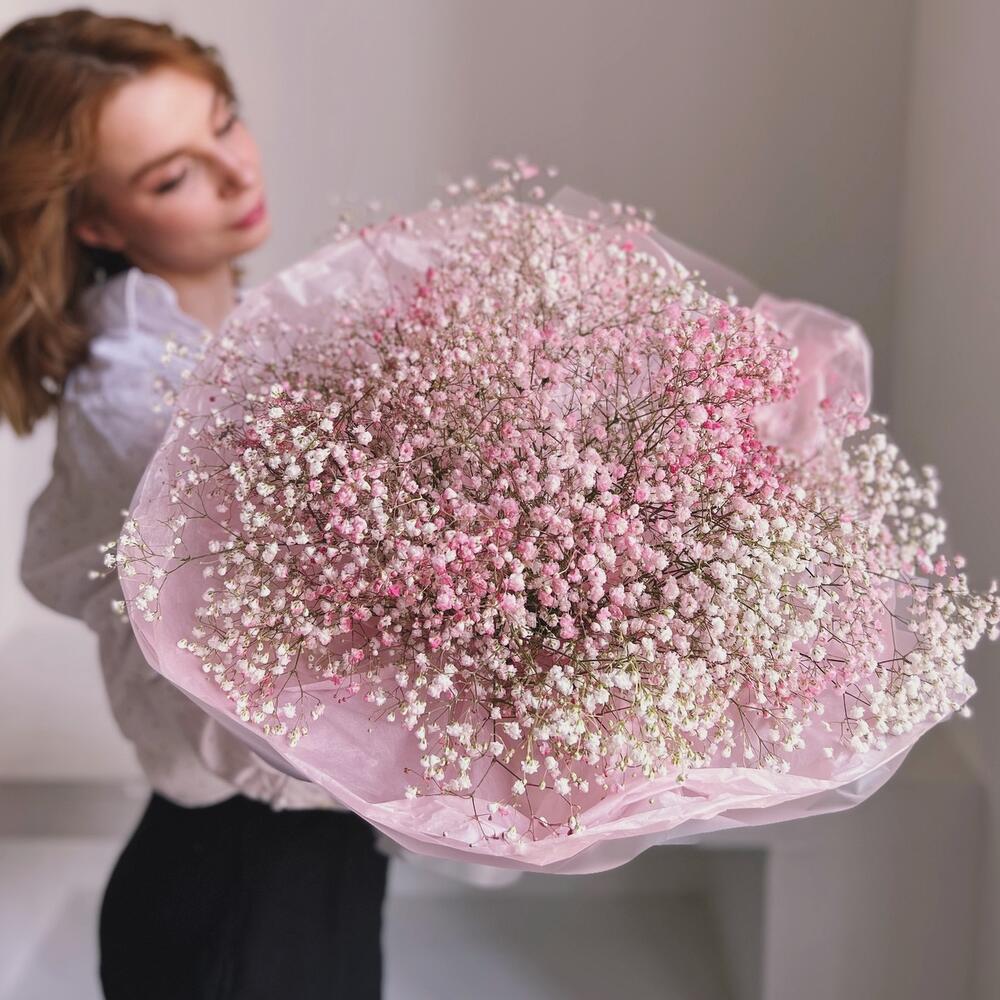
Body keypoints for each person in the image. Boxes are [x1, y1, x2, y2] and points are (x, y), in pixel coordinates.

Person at [0, 10, 389, 997]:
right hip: (237, 903)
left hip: (300, 874)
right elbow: (209, 726)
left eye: (225, 122)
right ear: (95, 223)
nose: (238, 173)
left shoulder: (234, 327)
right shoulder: (135, 409)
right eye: (174, 176)